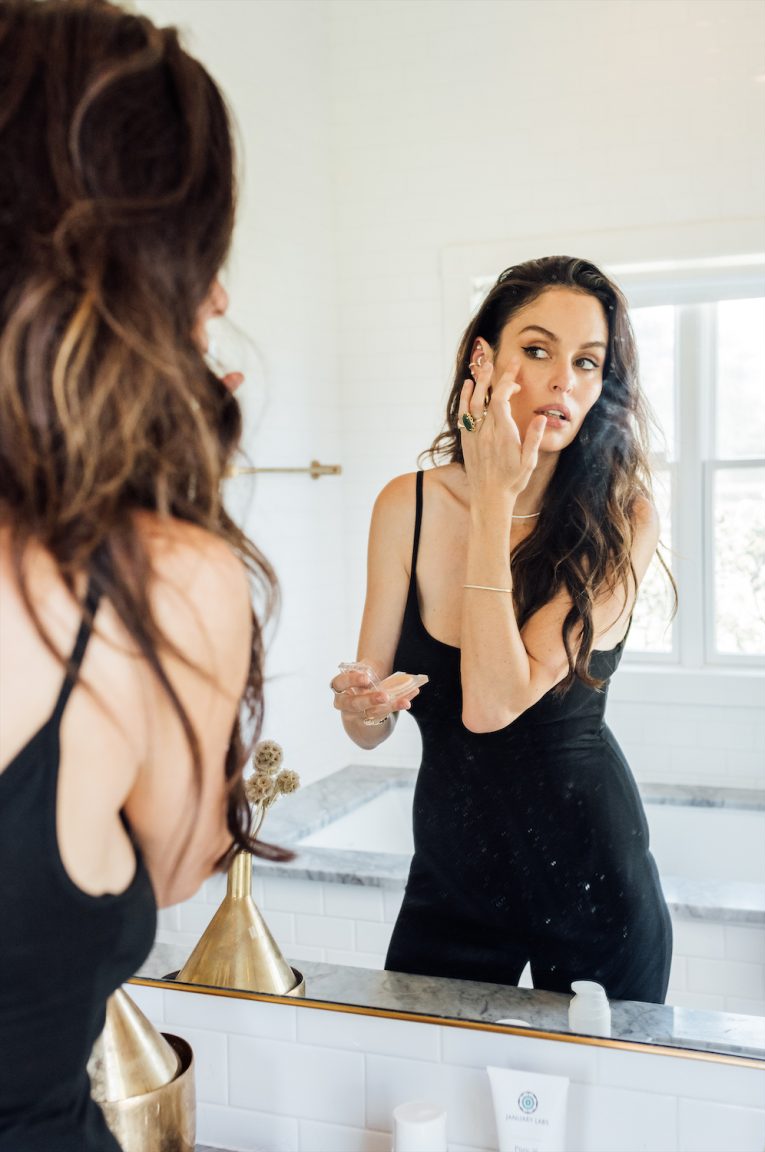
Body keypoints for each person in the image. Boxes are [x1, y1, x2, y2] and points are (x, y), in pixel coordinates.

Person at [0, 2, 287, 1148]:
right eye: (202, 248)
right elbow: (179, 864)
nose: (217, 297)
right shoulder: (155, 581)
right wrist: (171, 484)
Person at [331, 255, 675, 1004]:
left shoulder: (624, 519)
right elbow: (372, 721)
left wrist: (493, 498)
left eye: (588, 362)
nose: (563, 381)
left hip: (591, 880)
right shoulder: (406, 507)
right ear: (484, 361)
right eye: (538, 349)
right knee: (422, 1091)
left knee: (596, 1112)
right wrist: (362, 709)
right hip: (452, 877)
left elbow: (492, 702)